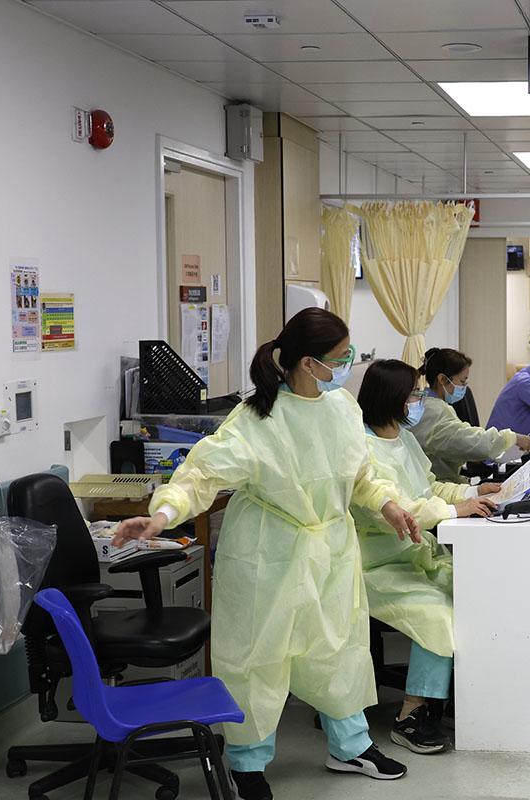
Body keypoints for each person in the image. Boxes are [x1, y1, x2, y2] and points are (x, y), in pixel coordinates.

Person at [113, 309, 419, 800]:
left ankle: (350, 747)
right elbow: (201, 474)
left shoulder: (342, 408)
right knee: (258, 659)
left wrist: (388, 504)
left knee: (339, 649)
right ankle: (247, 763)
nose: (348, 366)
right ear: (308, 363)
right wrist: (163, 515)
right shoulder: (257, 419)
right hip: (268, 552)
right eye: (341, 358)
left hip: (331, 551)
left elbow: (361, 473)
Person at [353, 359, 500, 755]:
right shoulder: (361, 449)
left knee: (474, 594)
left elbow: (428, 487)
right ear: (392, 398)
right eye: (415, 395)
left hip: (414, 555)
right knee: (437, 613)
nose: (420, 401)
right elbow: (394, 511)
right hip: (375, 564)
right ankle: (411, 715)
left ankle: (449, 696)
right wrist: (454, 510)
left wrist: (473, 492)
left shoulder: (403, 438)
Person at [412, 347, 530, 483]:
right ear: (442, 379)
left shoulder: (431, 405)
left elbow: (460, 435)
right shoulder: (433, 411)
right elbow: (467, 440)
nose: (464, 387)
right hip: (437, 483)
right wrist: (511, 438)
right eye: (462, 382)